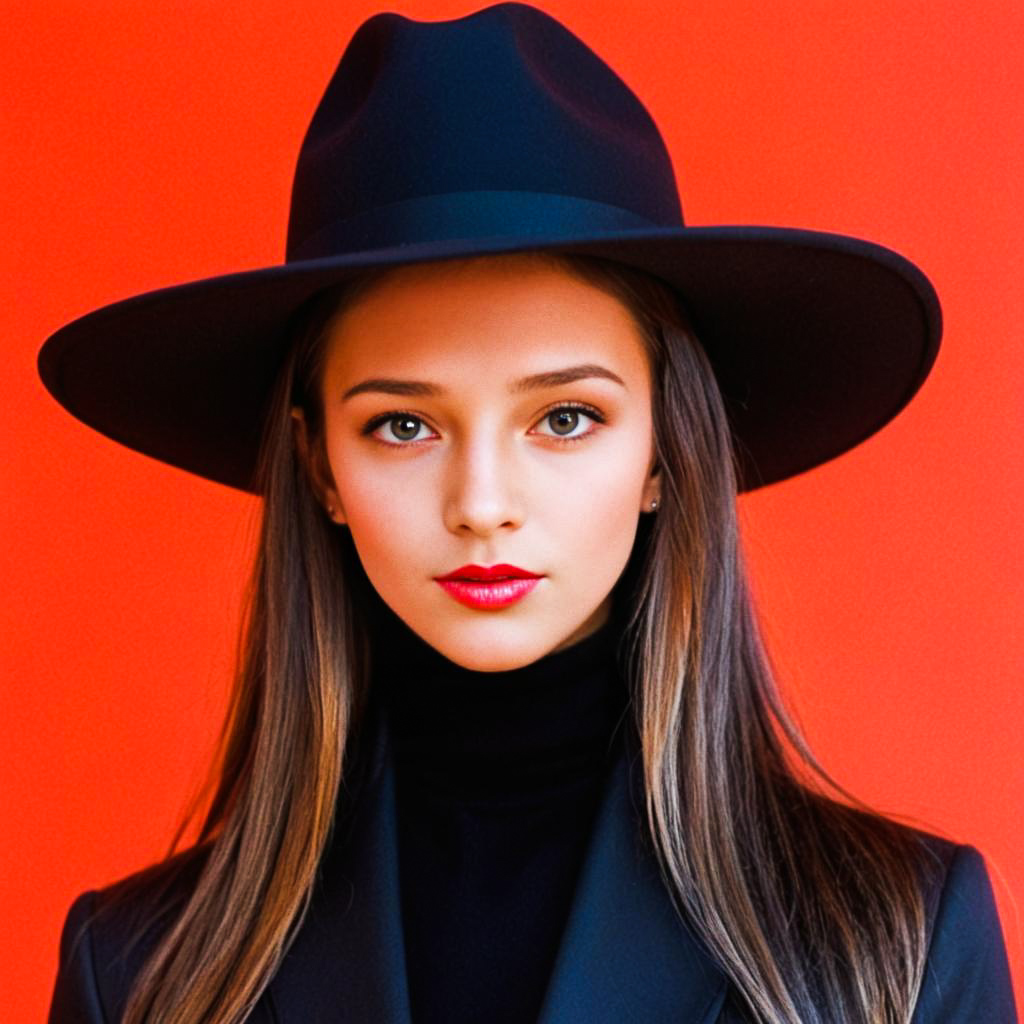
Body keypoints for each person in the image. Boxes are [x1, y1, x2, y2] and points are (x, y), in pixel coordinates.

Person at [40, 4, 1016, 1023]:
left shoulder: (891, 947)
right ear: (316, 463)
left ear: (662, 454)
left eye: (563, 416)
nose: (483, 506)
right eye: (401, 427)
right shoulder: (141, 974)